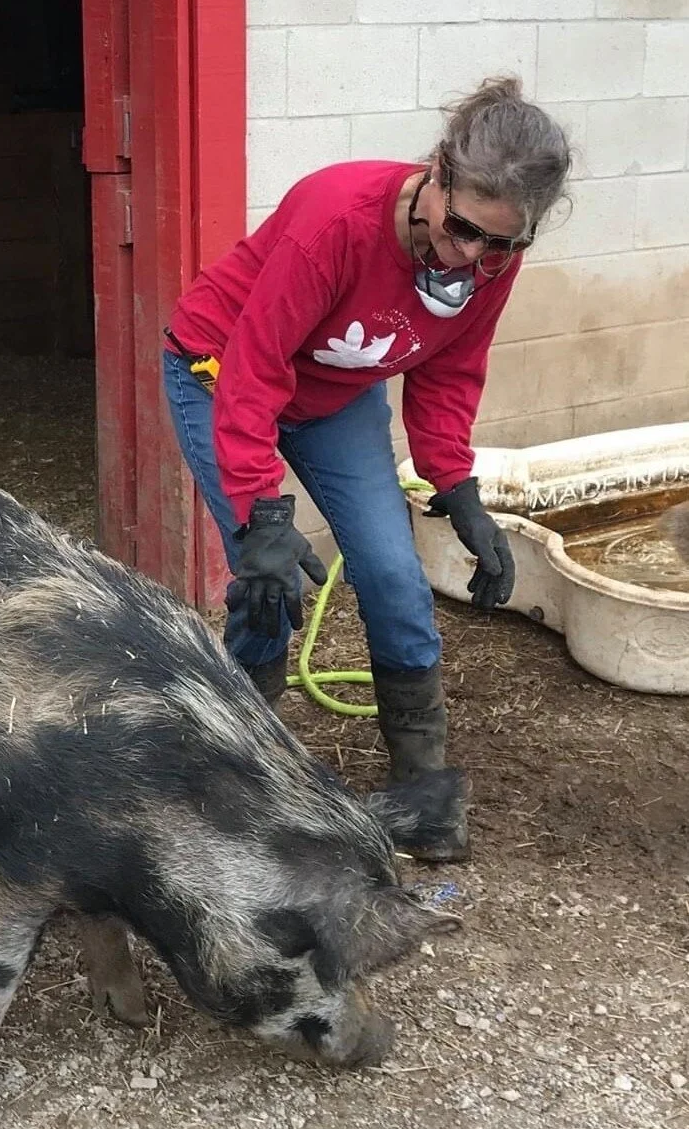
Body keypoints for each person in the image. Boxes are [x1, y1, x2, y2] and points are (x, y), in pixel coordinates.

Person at [161, 76, 572, 861]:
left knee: (392, 572)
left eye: (501, 244)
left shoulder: (487, 261)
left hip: (336, 392)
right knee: (265, 576)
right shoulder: (336, 219)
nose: (471, 257)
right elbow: (253, 368)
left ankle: (421, 779)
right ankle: (249, 764)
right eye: (460, 230)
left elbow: (450, 369)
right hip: (220, 366)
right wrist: (262, 512)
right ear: (437, 174)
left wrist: (458, 486)